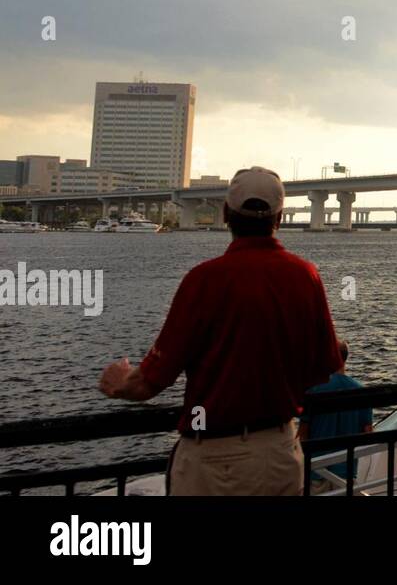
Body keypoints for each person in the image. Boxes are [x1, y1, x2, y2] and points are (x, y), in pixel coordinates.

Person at [98, 166, 343, 496]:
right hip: (279, 451)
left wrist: (119, 382)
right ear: (280, 217)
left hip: (214, 458)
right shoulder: (306, 276)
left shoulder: (204, 280)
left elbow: (149, 383)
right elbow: (325, 367)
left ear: (226, 213)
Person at [300, 340, 374, 491]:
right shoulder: (360, 391)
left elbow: (303, 434)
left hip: (316, 470)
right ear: (346, 358)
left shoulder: (313, 390)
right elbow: (367, 433)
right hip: (346, 472)